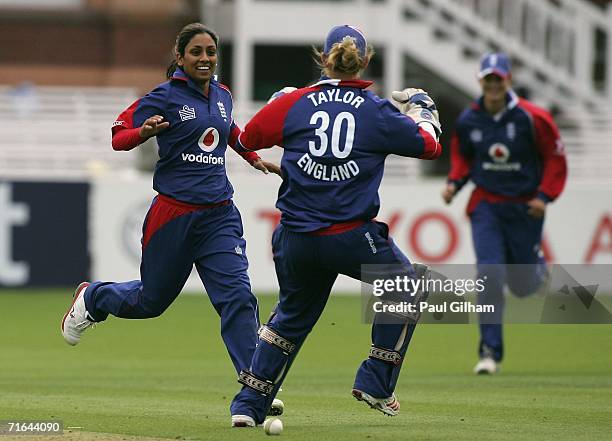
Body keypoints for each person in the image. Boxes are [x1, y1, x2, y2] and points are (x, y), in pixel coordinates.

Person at [60, 22, 284, 414]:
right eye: (196, 52)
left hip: (219, 216)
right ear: (179, 57)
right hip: (173, 216)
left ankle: (254, 388)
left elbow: (229, 129)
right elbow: (118, 135)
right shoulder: (163, 96)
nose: (205, 59)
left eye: (211, 52)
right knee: (151, 301)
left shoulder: (222, 95)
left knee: (237, 297)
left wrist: (250, 155)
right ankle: (94, 296)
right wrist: (143, 132)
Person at [227, 25, 443, 427]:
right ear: (365, 60)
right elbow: (429, 146)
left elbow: (251, 135)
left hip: (294, 238)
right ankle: (376, 382)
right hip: (349, 237)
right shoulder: (376, 110)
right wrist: (422, 109)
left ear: (323, 58)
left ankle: (247, 406)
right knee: (406, 285)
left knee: (291, 317)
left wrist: (281, 101)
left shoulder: (297, 102)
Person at [442, 52, 567, 374]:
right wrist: (455, 183)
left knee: (524, 286)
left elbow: (554, 159)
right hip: (486, 205)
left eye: (499, 78)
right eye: (488, 79)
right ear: (481, 81)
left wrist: (544, 197)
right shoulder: (470, 119)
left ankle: (538, 269)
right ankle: (489, 351)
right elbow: (464, 158)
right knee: (489, 274)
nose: (494, 84)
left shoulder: (532, 117)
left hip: (525, 207)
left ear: (508, 79)